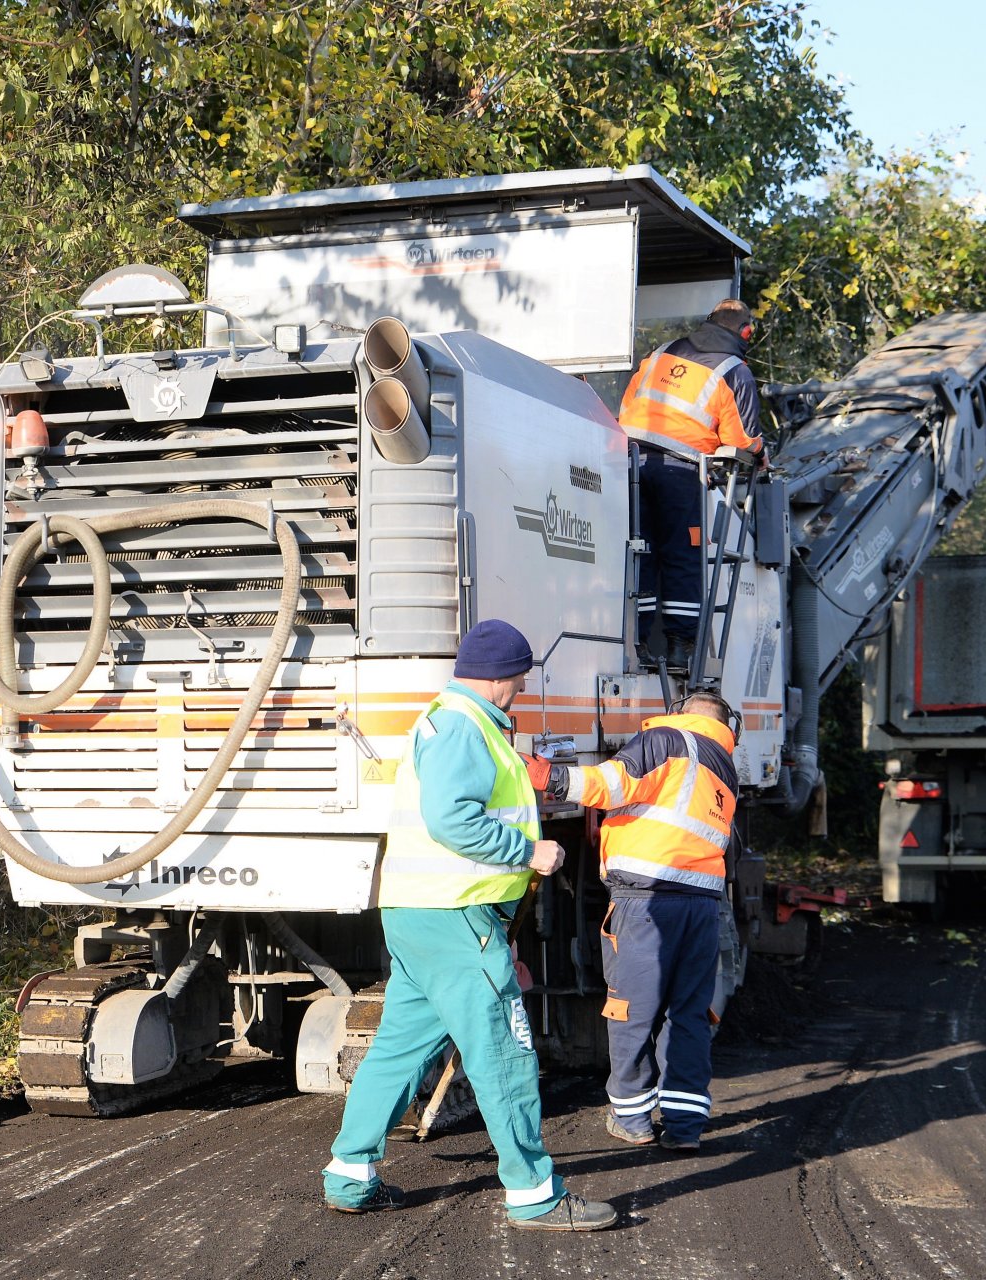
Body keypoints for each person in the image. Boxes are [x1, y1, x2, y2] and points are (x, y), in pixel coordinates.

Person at [322, 619, 617, 1232]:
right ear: (502, 677)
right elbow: (452, 820)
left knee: (398, 1051)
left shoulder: (447, 718)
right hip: (457, 915)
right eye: (521, 680)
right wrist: (530, 851)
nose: (522, 690)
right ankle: (534, 1194)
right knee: (503, 1052)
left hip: (421, 913)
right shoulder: (463, 727)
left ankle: (349, 1175)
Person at [526, 689, 742, 1153]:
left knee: (631, 1011)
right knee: (687, 1015)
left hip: (646, 903)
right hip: (702, 907)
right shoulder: (724, 769)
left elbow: (610, 785)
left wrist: (551, 777)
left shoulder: (664, 740)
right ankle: (684, 1127)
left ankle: (632, 1118)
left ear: (680, 714)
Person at [619, 299, 767, 672]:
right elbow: (741, 441)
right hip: (681, 473)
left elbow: (627, 407)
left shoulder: (661, 353)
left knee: (642, 553)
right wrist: (761, 454)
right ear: (746, 332)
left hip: (631, 464)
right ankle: (680, 648)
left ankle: (637, 641)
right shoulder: (734, 371)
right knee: (685, 556)